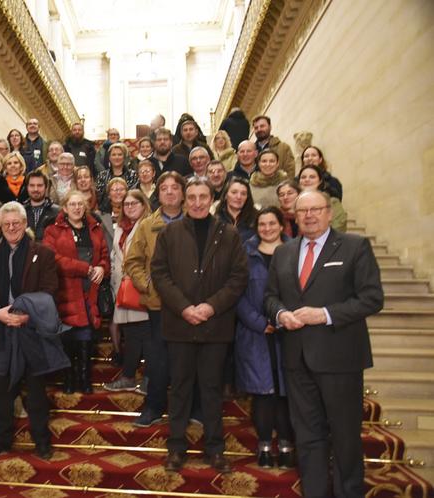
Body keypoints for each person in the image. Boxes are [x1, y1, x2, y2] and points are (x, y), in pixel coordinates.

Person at [264, 191, 384, 498]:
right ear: (295, 215)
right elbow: (270, 297)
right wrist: (280, 314)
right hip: (297, 360)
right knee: (307, 437)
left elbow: (372, 298)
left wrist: (326, 314)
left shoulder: (355, 247)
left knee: (345, 438)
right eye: (302, 211)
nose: (309, 215)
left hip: (340, 359)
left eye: (316, 209)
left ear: (329, 213)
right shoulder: (284, 252)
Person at [151, 177, 248, 474]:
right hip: (179, 325)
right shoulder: (169, 233)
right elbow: (160, 273)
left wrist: (210, 306)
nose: (196, 202)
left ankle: (215, 449)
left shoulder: (229, 234)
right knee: (179, 388)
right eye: (191, 196)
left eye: (202, 196)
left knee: (211, 389)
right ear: (183, 199)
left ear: (211, 198)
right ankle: (176, 448)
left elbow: (238, 278)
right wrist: (184, 307)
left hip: (215, 325)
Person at [0, 202, 61, 460]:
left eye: (16, 223)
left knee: (36, 391)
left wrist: (27, 315)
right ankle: (1, 440)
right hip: (0, 330)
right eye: (6, 224)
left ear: (25, 225)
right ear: (0, 227)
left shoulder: (43, 253)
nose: (11, 228)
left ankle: (42, 442)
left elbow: (49, 290)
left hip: (31, 330)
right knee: (0, 390)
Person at [124, 172, 187, 427]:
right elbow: (132, 261)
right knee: (158, 359)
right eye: (164, 189)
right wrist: (146, 284)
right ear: (158, 194)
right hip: (158, 303)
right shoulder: (148, 224)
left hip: (189, 305)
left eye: (175, 188)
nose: (170, 192)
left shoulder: (197, 220)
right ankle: (154, 406)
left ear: (182, 192)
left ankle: (188, 407)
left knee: (186, 359)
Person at [234, 207, 294, 468]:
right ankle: (265, 446)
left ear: (281, 225)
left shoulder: (296, 250)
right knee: (264, 393)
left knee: (285, 392)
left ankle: (286, 443)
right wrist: (260, 323)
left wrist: (285, 320)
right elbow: (237, 295)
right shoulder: (246, 253)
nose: (267, 228)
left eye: (272, 223)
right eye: (262, 224)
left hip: (290, 333)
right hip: (255, 334)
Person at [43, 190, 110, 394]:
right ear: (64, 207)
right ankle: (69, 379)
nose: (77, 208)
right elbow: (52, 258)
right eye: (72, 204)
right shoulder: (52, 230)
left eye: (80, 204)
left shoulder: (95, 228)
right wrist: (85, 268)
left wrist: (101, 267)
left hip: (90, 291)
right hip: (66, 289)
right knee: (68, 339)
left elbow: (105, 256)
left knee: (86, 338)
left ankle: (84, 378)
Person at [103, 189, 152, 392]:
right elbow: (116, 257)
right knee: (131, 334)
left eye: (134, 203)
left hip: (143, 287)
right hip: (122, 287)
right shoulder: (120, 228)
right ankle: (129, 376)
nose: (130, 207)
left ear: (144, 205)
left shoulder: (149, 226)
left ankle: (148, 378)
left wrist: (143, 281)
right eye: (126, 204)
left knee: (146, 334)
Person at [298, 165, 347, 232]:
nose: (307, 180)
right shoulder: (292, 202)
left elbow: (338, 227)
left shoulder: (332, 202)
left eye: (312, 177)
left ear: (320, 181)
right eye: (303, 177)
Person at [215, 177, 258, 242]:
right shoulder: (215, 219)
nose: (239, 197)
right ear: (226, 195)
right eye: (234, 192)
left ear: (247, 197)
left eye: (243, 194)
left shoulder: (256, 219)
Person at [23, 170, 59, 242]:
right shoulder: (20, 212)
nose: (35, 189)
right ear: (27, 187)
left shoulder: (58, 212)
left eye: (39, 185)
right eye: (32, 185)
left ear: (46, 187)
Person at [99, 178, 128, 253]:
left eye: (121, 189)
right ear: (108, 195)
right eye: (114, 190)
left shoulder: (133, 213)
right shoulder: (100, 215)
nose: (118, 192)